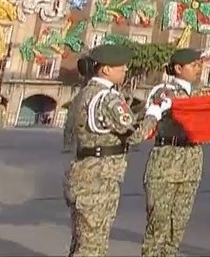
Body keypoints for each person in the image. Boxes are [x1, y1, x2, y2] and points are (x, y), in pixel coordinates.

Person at [65, 43, 168, 257]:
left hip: (82, 172)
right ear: (105, 69)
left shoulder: (84, 94)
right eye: (120, 66)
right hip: (99, 179)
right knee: (92, 248)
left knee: (81, 242)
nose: (125, 70)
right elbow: (134, 134)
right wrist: (155, 113)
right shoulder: (108, 97)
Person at [140, 48, 206, 257]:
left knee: (177, 227)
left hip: (191, 163)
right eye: (194, 65)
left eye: (199, 64)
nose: (199, 69)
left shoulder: (200, 93)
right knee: (157, 225)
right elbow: (150, 118)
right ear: (178, 68)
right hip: (165, 163)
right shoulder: (164, 91)